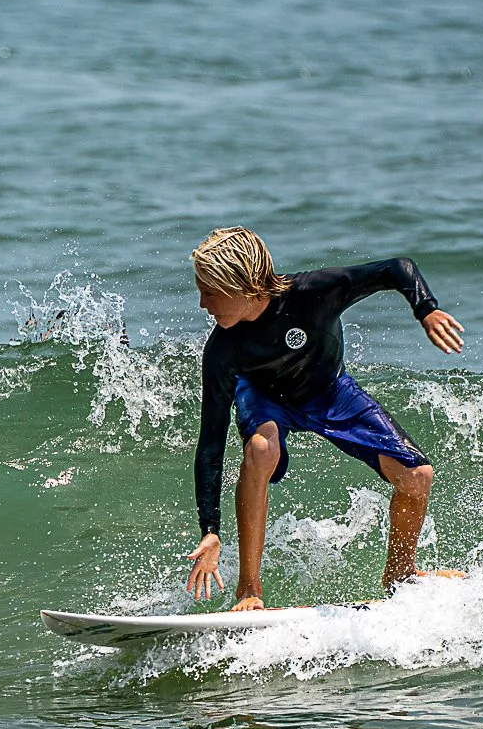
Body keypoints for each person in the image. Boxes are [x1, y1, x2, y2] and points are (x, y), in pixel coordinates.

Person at [183, 226, 464, 609]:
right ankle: (249, 590)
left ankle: (401, 574)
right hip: (265, 397)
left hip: (330, 392)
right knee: (262, 449)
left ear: (244, 287)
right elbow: (210, 442)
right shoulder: (222, 349)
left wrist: (426, 309)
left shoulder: (313, 293)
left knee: (417, 477)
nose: (202, 304)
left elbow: (397, 268)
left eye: (210, 292)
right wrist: (210, 530)